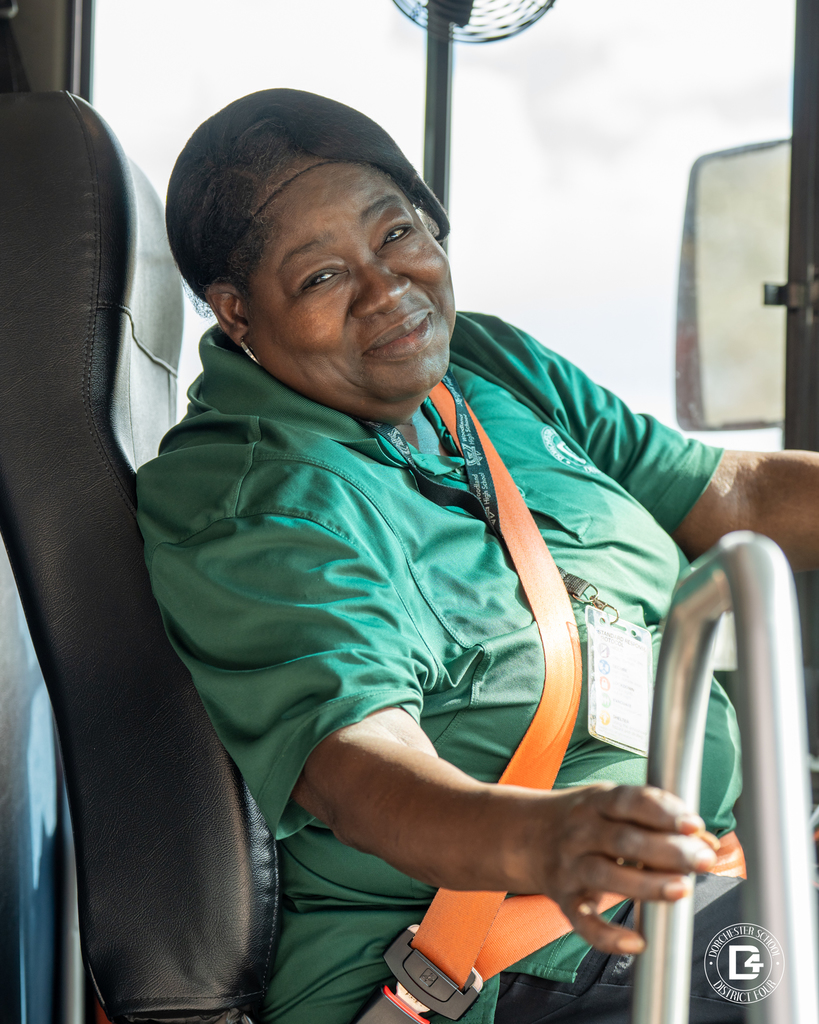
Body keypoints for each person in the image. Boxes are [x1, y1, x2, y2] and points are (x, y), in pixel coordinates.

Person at [135, 89, 819, 1024]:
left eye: (397, 235)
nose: (387, 291)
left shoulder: (488, 369)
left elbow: (724, 492)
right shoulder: (251, 494)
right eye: (322, 278)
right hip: (495, 964)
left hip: (709, 874)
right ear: (237, 314)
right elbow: (361, 771)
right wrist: (549, 838)